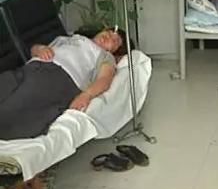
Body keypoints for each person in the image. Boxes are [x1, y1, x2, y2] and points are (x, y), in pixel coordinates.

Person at [0, 28, 130, 141]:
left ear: (115, 51)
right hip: (32, 68)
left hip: (60, 79)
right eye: (109, 32)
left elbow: (104, 80)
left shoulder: (106, 57)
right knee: (6, 82)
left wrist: (86, 95)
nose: (109, 36)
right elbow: (33, 50)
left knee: (18, 105)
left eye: (115, 40)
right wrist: (40, 49)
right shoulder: (71, 39)